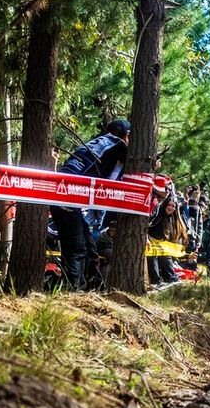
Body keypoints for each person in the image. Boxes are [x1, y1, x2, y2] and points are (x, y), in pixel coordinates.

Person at [49, 119, 130, 289]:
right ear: (126, 136)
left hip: (68, 195)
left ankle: (93, 288)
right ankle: (73, 290)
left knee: (89, 246)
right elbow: (135, 161)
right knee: (77, 247)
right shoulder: (118, 146)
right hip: (67, 196)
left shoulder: (97, 142)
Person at [147, 194, 189, 285]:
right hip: (149, 242)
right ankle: (156, 281)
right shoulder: (157, 214)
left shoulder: (171, 218)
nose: (171, 207)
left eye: (173, 206)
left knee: (166, 257)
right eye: (169, 205)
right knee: (152, 256)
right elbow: (146, 226)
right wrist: (147, 239)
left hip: (160, 244)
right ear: (165, 204)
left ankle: (171, 278)